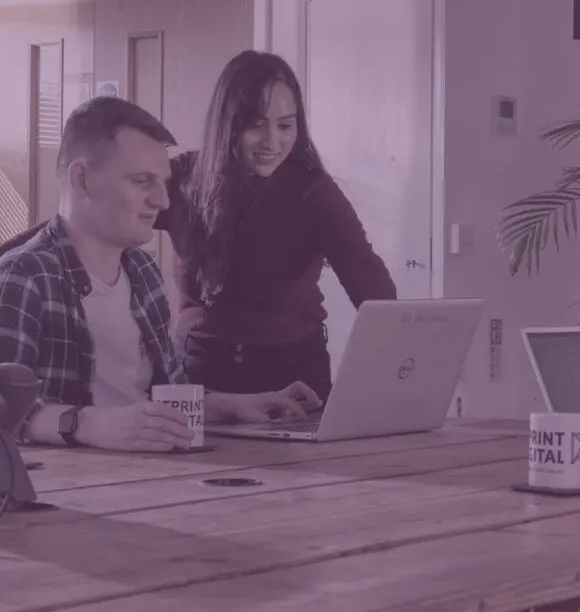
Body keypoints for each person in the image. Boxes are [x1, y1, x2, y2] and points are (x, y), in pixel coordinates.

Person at [0, 50, 397, 403]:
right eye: (257, 125)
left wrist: (384, 384)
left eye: (286, 126)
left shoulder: (314, 193)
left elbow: (373, 289)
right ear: (228, 123)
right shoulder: (186, 178)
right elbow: (87, 218)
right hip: (199, 369)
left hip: (293, 370)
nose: (272, 142)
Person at [0, 96, 321, 452]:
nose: (163, 201)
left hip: (155, 476)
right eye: (142, 181)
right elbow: (3, 411)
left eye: (162, 182)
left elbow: (158, 393)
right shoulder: (23, 277)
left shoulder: (143, 272)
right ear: (82, 179)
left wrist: (225, 405)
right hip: (71, 492)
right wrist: (88, 423)